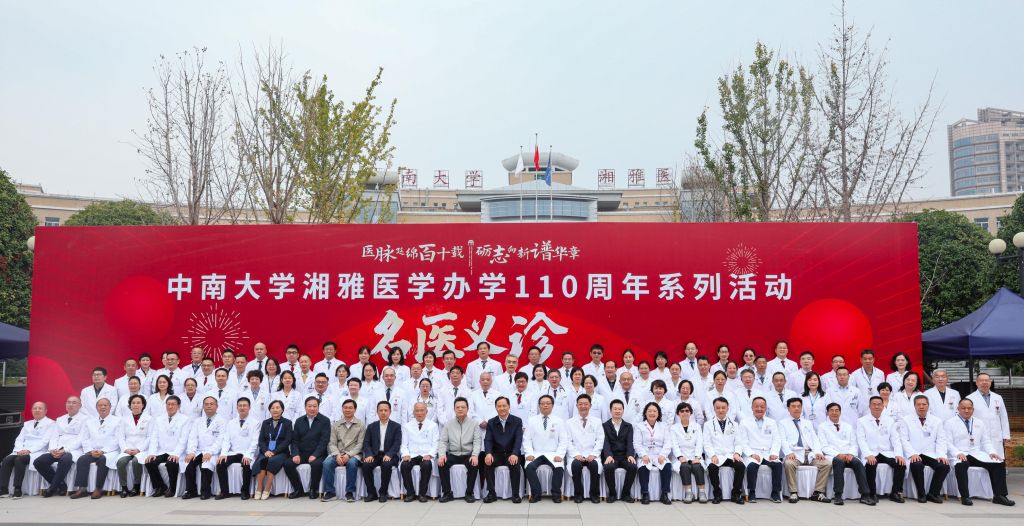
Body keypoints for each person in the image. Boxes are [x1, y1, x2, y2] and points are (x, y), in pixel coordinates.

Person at [945, 398, 1014, 506]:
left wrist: (992, 452)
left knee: (999, 463)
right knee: (961, 465)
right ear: (958, 409)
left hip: (976, 453)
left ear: (973, 409)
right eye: (963, 408)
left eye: (969, 408)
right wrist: (957, 453)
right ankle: (965, 497)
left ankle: (1000, 496)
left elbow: (986, 441)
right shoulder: (950, 423)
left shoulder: (979, 422)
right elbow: (947, 442)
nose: (966, 410)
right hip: (959, 454)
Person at [817, 402, 873, 506]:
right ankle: (838, 495)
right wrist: (838, 454)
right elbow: (824, 446)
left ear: (840, 412)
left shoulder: (848, 426)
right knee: (839, 462)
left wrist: (851, 454)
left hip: (848, 454)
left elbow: (854, 443)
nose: (834, 413)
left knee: (858, 463)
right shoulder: (822, 427)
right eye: (831, 411)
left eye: (837, 410)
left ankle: (865, 495)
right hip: (833, 455)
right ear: (827, 413)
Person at [899, 394, 950, 503]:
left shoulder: (937, 421)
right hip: (915, 452)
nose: (921, 407)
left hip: (931, 453)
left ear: (928, 405)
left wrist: (941, 455)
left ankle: (933, 493)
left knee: (944, 466)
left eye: (924, 404)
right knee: (917, 465)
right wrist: (912, 454)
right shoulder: (906, 420)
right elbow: (904, 439)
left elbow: (941, 440)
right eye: (918, 404)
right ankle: (921, 494)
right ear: (914, 406)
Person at [856, 396, 906, 504]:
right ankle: (872, 493)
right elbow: (861, 440)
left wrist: (898, 454)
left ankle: (896, 492)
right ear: (869, 406)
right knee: (871, 464)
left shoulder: (889, 420)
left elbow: (895, 438)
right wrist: (868, 454)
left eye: (879, 404)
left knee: (901, 464)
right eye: (874, 404)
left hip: (886, 452)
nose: (876, 406)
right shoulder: (862, 421)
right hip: (871, 452)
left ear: (883, 406)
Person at [780, 398, 831, 503]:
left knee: (827, 464)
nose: (796, 408)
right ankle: (793, 492)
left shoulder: (807, 422)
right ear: (788, 408)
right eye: (793, 406)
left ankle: (818, 492)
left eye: (799, 406)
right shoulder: (782, 423)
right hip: (795, 453)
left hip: (809, 453)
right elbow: (782, 440)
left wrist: (818, 452)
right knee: (789, 464)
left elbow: (814, 439)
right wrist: (789, 452)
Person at [69, 398, 122, 499]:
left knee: (103, 460)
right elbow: (85, 438)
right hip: (93, 450)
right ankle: (82, 489)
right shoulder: (89, 421)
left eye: (105, 405)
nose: (103, 407)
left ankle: (98, 489)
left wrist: (103, 451)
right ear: (96, 408)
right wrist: (90, 450)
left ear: (110, 407)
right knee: (82, 459)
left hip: (109, 451)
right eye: (100, 405)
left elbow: (117, 439)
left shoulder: (117, 421)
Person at [0, 402, 53, 499]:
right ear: (32, 411)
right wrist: (19, 450)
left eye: (40, 408)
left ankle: (17, 489)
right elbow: (19, 439)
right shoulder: (27, 424)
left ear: (45, 411)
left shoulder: (51, 424)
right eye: (35, 408)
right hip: (22, 450)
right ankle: (3, 489)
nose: (37, 410)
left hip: (37, 451)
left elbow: (44, 441)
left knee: (19, 460)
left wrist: (28, 450)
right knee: (7, 460)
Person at [282, 396, 331, 499]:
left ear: (318, 407)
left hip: (318, 453)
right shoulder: (299, 421)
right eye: (309, 406)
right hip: (302, 453)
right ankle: (298, 489)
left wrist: (315, 455)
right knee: (288, 463)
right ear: (305, 407)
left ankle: (313, 489)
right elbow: (294, 440)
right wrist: (295, 454)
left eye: (314, 406)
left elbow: (324, 441)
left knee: (317, 464)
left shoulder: (325, 421)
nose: (312, 408)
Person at [36, 397, 84, 497]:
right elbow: (54, 436)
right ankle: (61, 485)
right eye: (69, 402)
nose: (71, 405)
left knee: (65, 459)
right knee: (39, 461)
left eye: (74, 403)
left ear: (80, 405)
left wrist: (64, 450)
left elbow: (81, 439)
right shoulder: (60, 419)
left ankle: (52, 488)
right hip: (57, 449)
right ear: (65, 405)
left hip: (73, 449)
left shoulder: (85, 419)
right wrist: (53, 449)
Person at [523, 395, 568, 503]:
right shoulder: (532, 420)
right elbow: (527, 439)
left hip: (553, 453)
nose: (545, 405)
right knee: (529, 467)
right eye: (542, 403)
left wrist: (560, 455)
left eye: (548, 403)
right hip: (536, 453)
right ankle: (536, 493)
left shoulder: (559, 421)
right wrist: (529, 453)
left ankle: (556, 494)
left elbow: (563, 440)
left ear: (552, 405)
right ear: (539, 406)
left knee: (558, 467)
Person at [437, 397, 481, 503]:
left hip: (468, 454)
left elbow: (477, 441)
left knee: (474, 463)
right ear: (454, 409)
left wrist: (475, 455)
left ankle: (469, 493)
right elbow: (442, 441)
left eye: (463, 407)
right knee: (442, 463)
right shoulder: (448, 424)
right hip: (453, 454)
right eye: (458, 407)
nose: (460, 409)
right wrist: (442, 455)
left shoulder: (474, 424)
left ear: (467, 409)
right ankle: (447, 493)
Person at [144, 396, 190, 497]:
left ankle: (172, 489)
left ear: (178, 406)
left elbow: (183, 440)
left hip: (176, 451)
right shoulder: (159, 419)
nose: (170, 406)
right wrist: (152, 453)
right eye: (168, 404)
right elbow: (154, 438)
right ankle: (160, 487)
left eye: (173, 404)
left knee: (171, 463)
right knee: (149, 462)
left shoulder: (185, 419)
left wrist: (176, 454)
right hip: (162, 451)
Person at [215, 397, 260, 500]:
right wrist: (223, 454)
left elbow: (255, 441)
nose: (242, 408)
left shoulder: (255, 423)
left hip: (247, 452)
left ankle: (245, 491)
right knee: (220, 463)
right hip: (234, 452)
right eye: (240, 406)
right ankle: (224, 491)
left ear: (249, 408)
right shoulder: (231, 423)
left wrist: (248, 455)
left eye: (245, 406)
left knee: (246, 463)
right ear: (237, 408)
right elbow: (226, 440)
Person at [739, 397, 782, 503]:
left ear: (766, 408)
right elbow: (742, 441)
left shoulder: (772, 422)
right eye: (756, 406)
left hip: (768, 453)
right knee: (752, 466)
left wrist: (774, 453)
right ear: (752, 408)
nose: (759, 409)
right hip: (752, 453)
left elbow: (777, 440)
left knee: (778, 465)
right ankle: (752, 492)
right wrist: (751, 454)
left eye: (762, 406)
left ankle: (775, 493)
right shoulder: (744, 422)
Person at [181, 396, 225, 500]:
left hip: (213, 452)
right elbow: (193, 437)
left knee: (206, 465)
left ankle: (205, 492)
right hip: (198, 450)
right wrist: (191, 451)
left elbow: (221, 440)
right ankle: (191, 491)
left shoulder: (222, 421)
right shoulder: (197, 421)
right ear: (203, 406)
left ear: (217, 406)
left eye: (211, 404)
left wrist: (210, 452)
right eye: (206, 404)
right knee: (189, 465)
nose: (209, 406)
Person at [702, 397, 745, 504]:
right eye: (718, 408)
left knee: (740, 466)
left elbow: (738, 442)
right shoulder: (708, 425)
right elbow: (707, 443)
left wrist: (737, 453)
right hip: (716, 455)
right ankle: (717, 493)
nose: (720, 410)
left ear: (727, 408)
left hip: (730, 455)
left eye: (723, 408)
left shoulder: (734, 424)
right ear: (714, 409)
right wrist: (712, 455)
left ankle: (736, 494)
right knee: (712, 467)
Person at [321, 399, 365, 502]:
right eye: (345, 408)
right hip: (338, 453)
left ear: (355, 410)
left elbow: (360, 444)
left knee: (352, 464)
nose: (347, 410)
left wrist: (348, 455)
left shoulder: (361, 425)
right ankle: (330, 492)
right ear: (342, 409)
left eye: (350, 408)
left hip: (354, 454)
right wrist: (337, 455)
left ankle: (349, 492)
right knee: (327, 463)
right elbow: (332, 443)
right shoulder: (336, 425)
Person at [482, 396, 524, 503]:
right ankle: (491, 493)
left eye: (504, 406)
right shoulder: (491, 422)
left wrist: (515, 453)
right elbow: (488, 440)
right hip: (497, 453)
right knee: (488, 462)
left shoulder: (517, 421)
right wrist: (488, 453)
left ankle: (515, 494)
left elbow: (518, 439)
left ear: (509, 406)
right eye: (499, 406)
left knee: (515, 464)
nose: (502, 408)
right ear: (496, 408)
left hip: (511, 453)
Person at [361, 400, 402, 502]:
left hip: (389, 455)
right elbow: (366, 443)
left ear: (390, 412)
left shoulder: (396, 426)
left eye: (385, 410)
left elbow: (397, 443)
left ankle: (383, 492)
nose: (383, 412)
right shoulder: (371, 426)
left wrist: (389, 454)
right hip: (375, 455)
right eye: (381, 410)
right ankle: (372, 493)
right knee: (366, 465)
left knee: (386, 465)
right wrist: (369, 455)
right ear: (377, 412)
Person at [633, 402, 673, 505]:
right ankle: (645, 494)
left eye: (654, 411)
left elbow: (668, 442)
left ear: (658, 413)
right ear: (645, 413)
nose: (652, 413)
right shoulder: (639, 426)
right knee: (643, 466)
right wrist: (643, 455)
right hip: (645, 453)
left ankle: (664, 494)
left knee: (667, 466)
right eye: (649, 411)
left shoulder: (664, 426)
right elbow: (637, 443)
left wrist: (663, 454)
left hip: (659, 454)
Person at [252, 400, 293, 500]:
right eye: (273, 408)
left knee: (272, 461)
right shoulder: (265, 423)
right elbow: (261, 440)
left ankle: (268, 487)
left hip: (281, 452)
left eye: (278, 407)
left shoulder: (287, 423)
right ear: (269, 410)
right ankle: (259, 487)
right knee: (261, 461)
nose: (275, 410)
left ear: (282, 410)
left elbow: (287, 440)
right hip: (266, 451)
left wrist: (274, 452)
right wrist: (266, 451)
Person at [567, 394, 602, 504]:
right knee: (576, 465)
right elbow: (567, 441)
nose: (583, 406)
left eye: (586, 404)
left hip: (591, 453)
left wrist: (594, 454)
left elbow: (600, 440)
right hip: (576, 454)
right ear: (577, 406)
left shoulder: (597, 421)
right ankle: (578, 494)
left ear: (590, 406)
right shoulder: (569, 422)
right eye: (580, 404)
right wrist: (576, 454)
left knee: (594, 465)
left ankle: (594, 494)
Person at [400, 402, 438, 502]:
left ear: (426, 411)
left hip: (426, 454)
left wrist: (430, 454)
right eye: (417, 411)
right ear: (413, 412)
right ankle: (410, 493)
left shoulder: (433, 425)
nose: (419, 413)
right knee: (404, 465)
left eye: (422, 410)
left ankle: (422, 494)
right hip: (412, 454)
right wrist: (405, 454)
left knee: (426, 465)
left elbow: (436, 444)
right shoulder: (407, 426)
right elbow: (404, 444)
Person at [602, 399, 637, 503]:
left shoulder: (628, 426)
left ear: (623, 411)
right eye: (615, 409)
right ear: (610, 411)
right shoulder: (604, 426)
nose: (617, 411)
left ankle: (626, 494)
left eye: (619, 409)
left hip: (625, 456)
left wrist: (630, 455)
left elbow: (630, 442)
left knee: (632, 466)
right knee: (608, 467)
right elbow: (605, 442)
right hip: (612, 456)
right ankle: (612, 494)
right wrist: (608, 455)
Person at [670, 402, 707, 503]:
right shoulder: (673, 428)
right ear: (678, 413)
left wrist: (697, 457)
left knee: (697, 466)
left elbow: (699, 443)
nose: (684, 413)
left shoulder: (697, 426)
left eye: (687, 411)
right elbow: (674, 444)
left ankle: (702, 492)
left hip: (694, 455)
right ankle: (688, 493)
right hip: (681, 456)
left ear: (691, 413)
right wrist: (680, 457)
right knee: (684, 466)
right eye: (682, 411)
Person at [966, 373, 1011, 451]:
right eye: (981, 380)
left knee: (997, 456)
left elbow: (1004, 417)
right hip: (978, 435)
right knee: (981, 456)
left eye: (986, 380)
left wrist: (1006, 435)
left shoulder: (998, 397)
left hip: (996, 436)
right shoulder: (970, 398)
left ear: (990, 382)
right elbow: (966, 418)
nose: (984, 382)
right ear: (976, 383)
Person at [117, 395, 150, 497]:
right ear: (130, 405)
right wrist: (125, 449)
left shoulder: (149, 419)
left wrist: (139, 449)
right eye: (133, 403)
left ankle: (136, 486)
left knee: (136, 462)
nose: (136, 405)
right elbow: (120, 437)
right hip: (127, 448)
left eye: (138, 403)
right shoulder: (123, 419)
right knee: (120, 462)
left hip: (141, 449)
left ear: (143, 405)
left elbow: (150, 437)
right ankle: (124, 487)